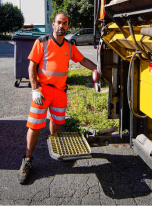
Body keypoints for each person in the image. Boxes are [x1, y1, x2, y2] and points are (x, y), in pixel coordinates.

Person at [18, 13, 98, 185]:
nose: (61, 25)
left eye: (65, 23)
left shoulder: (69, 46)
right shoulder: (42, 42)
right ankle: (27, 159)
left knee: (56, 122)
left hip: (60, 93)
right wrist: (34, 89)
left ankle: (56, 149)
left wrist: (97, 69)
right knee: (34, 125)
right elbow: (32, 65)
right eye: (59, 22)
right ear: (53, 24)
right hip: (42, 92)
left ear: (68, 26)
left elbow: (82, 60)